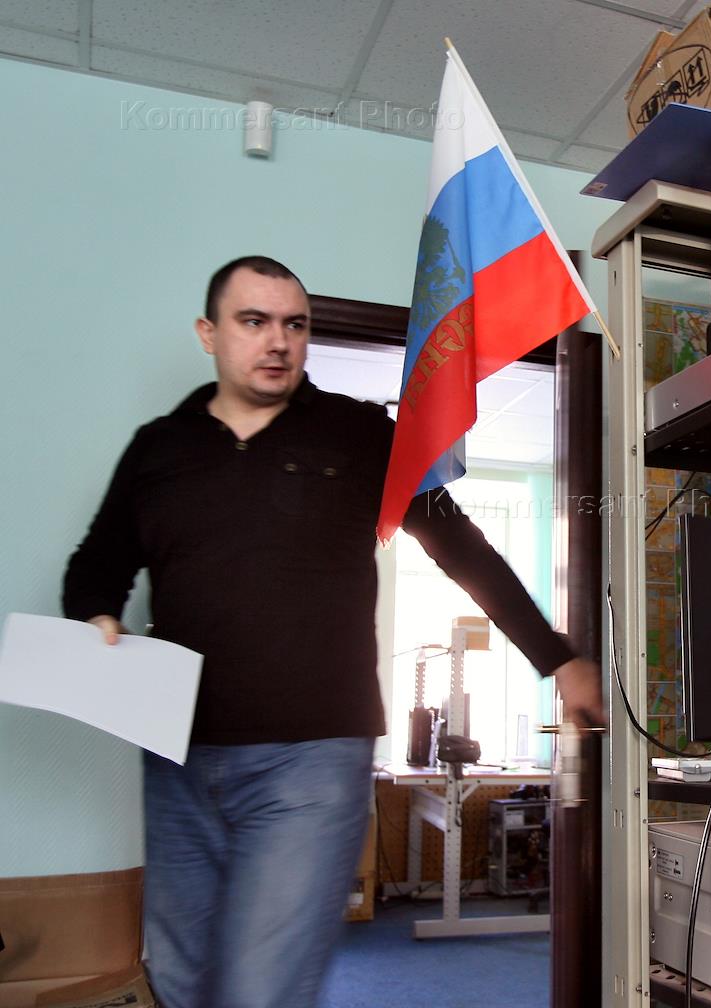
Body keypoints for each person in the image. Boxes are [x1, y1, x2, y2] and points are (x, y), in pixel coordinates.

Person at [62, 255, 605, 1008]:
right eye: (254, 321)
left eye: (295, 324)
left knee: (260, 990)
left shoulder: (362, 435)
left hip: (310, 762)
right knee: (182, 979)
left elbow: (460, 546)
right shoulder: (158, 448)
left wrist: (558, 658)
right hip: (178, 758)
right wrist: (95, 617)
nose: (277, 340)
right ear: (209, 333)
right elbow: (95, 567)